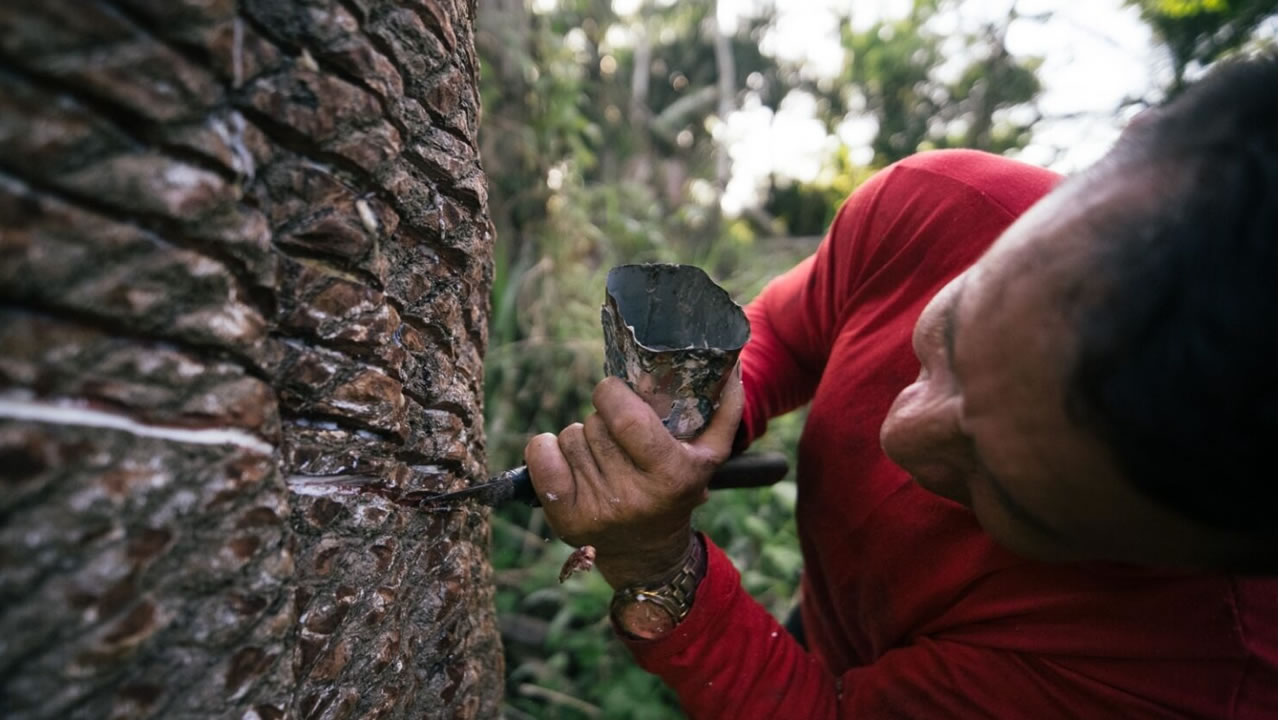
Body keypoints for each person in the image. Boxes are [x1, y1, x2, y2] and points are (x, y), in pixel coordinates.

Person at [524, 56, 1277, 718]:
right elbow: (790, 332)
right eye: (948, 336)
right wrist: (685, 426)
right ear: (1130, 142)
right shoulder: (946, 205)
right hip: (830, 624)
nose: (900, 435)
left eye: (1006, 501)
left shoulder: (1188, 681)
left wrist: (660, 569)